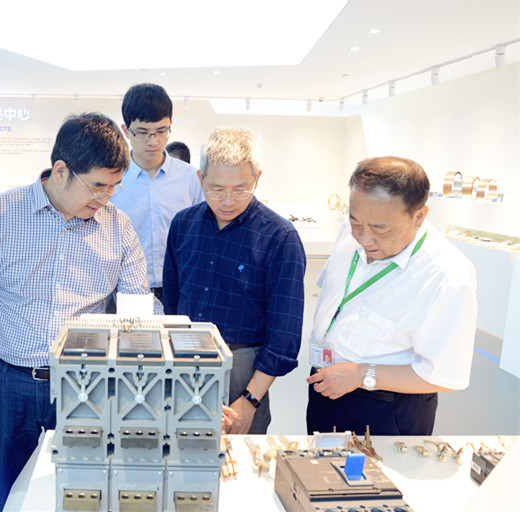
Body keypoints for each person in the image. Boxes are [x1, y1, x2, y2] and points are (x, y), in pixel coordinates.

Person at [0, 112, 159, 512]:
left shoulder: (118, 227)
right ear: (61, 171)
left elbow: (139, 308)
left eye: (113, 188)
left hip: (84, 384)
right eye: (96, 187)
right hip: (8, 380)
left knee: (79, 491)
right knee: (7, 489)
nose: (104, 199)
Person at [306, 156, 477, 436]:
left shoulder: (446, 277)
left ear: (419, 216)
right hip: (326, 388)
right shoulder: (351, 233)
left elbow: (444, 375)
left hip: (385, 407)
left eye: (380, 228)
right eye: (354, 221)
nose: (364, 239)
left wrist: (361, 375)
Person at [162, 126, 306, 435]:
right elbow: (172, 305)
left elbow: (284, 336)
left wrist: (250, 400)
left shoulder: (280, 237)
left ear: (257, 179)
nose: (228, 200)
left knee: (241, 460)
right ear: (200, 179)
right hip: (183, 365)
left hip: (244, 374)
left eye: (241, 189)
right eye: (216, 189)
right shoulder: (183, 225)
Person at [110, 83, 203, 302]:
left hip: (181, 287)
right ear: (126, 130)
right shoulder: (112, 180)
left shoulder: (191, 178)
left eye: (161, 131)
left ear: (170, 125)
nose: (153, 141)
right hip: (125, 289)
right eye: (143, 132)